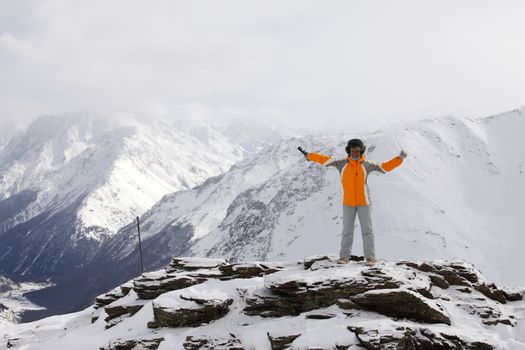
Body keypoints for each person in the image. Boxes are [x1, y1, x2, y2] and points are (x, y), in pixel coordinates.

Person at [304, 139, 407, 266]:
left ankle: (370, 258)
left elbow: (385, 167)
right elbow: (323, 159)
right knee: (347, 231)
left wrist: (399, 159)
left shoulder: (367, 165)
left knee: (367, 231)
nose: (355, 153)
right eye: (353, 151)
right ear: (349, 151)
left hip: (364, 202)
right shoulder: (341, 163)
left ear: (361, 151)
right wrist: (309, 156)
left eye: (358, 151)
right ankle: (344, 257)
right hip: (348, 203)